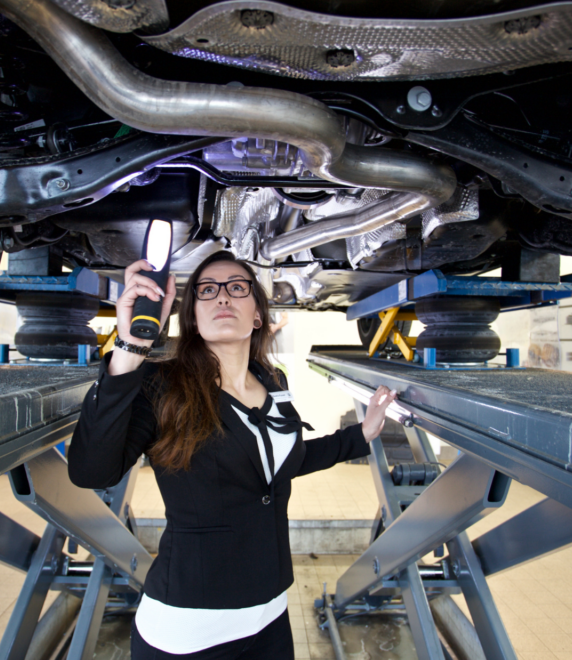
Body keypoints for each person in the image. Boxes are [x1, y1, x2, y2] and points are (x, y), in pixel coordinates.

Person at [68, 251, 398, 659]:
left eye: (237, 288)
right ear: (192, 318)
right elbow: (91, 471)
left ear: (257, 315)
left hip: (271, 615)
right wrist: (130, 348)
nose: (222, 297)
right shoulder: (162, 387)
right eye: (207, 290)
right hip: (188, 629)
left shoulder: (272, 380)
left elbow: (281, 464)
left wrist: (359, 436)